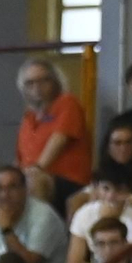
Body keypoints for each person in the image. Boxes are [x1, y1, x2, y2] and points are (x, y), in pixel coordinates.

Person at [15, 58, 92, 209]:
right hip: (33, 178)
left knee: (35, 180)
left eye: (43, 80)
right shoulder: (28, 117)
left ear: (55, 82)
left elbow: (59, 139)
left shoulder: (67, 102)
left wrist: (37, 169)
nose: (37, 87)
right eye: (30, 83)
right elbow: (19, 159)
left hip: (67, 182)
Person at [65, 168, 132, 263]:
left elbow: (127, 262)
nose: (111, 196)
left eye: (119, 190)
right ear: (96, 189)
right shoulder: (85, 213)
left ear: (129, 193)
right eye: (106, 188)